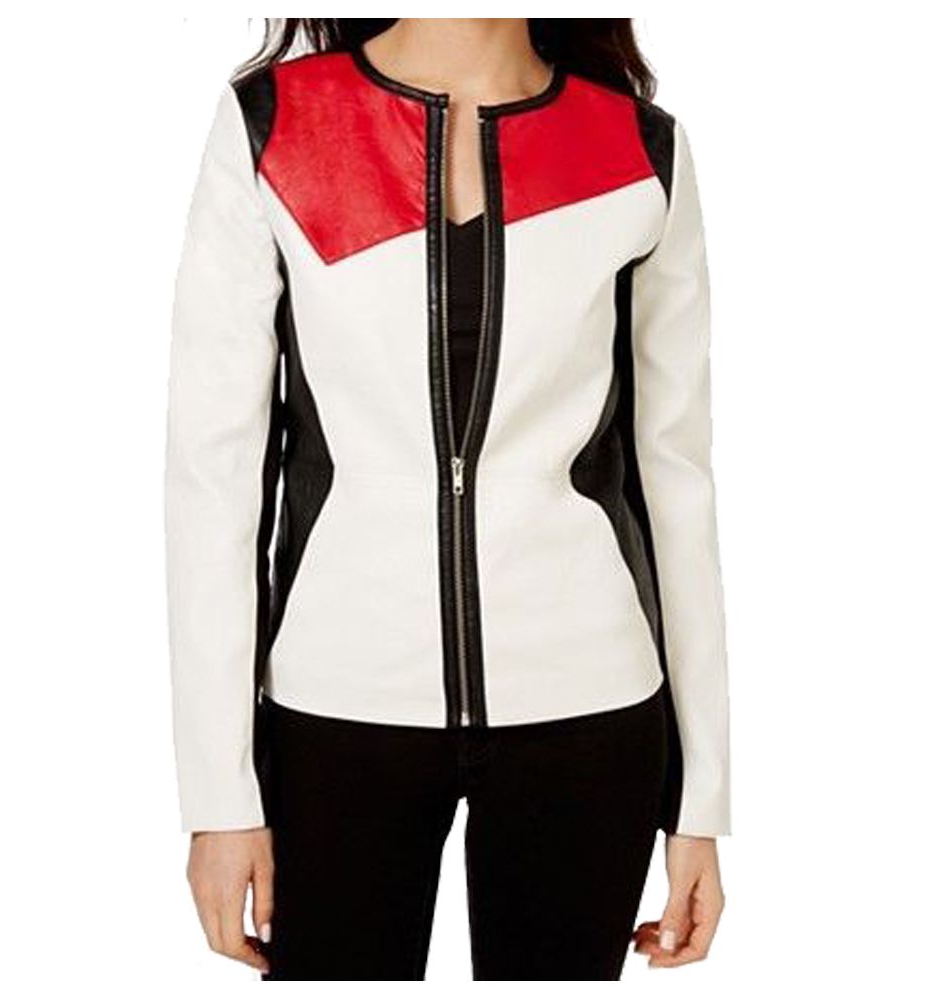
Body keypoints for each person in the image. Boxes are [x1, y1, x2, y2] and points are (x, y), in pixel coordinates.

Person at [164, 17, 731, 981]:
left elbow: (674, 476)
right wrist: (219, 796)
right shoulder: (280, 126)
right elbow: (212, 480)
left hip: (589, 707)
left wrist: (701, 802)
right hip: (336, 706)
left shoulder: (635, 149)